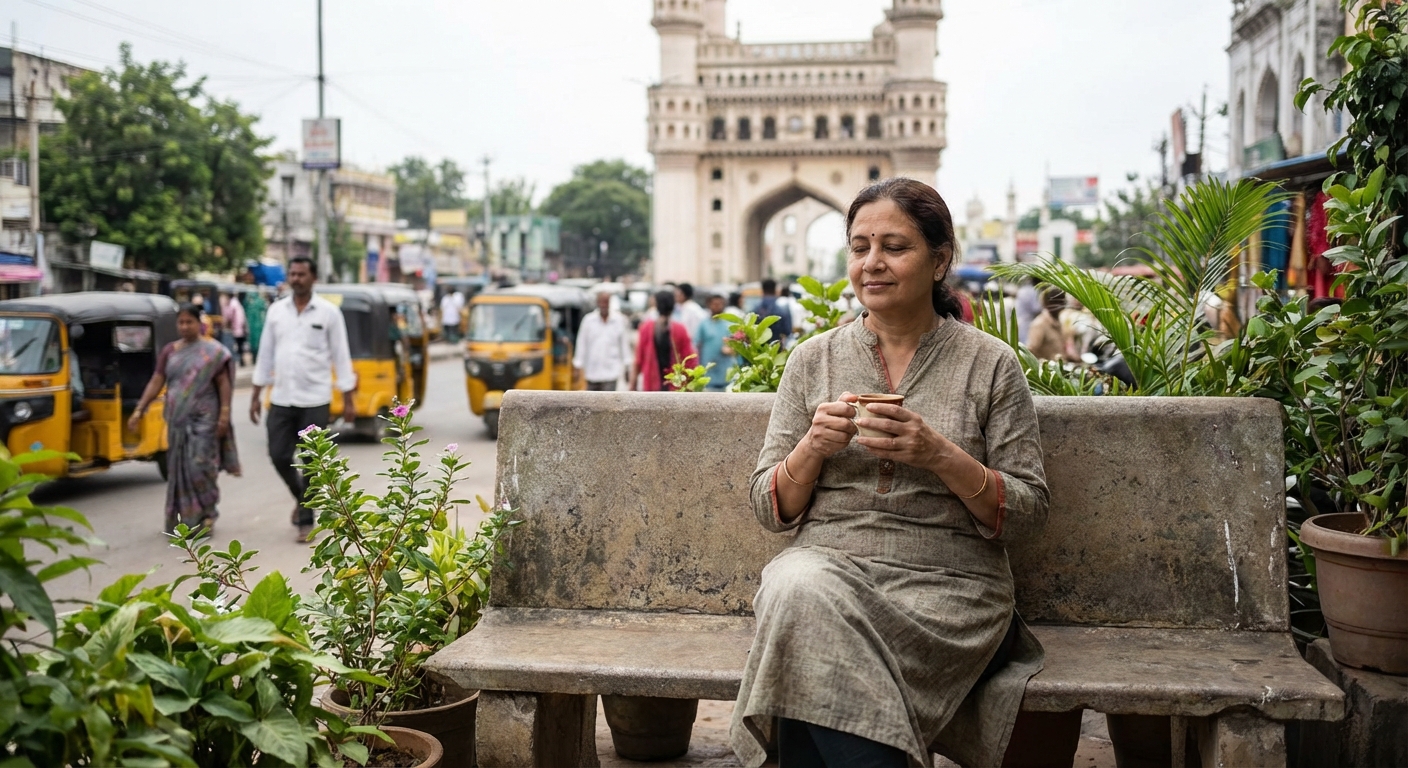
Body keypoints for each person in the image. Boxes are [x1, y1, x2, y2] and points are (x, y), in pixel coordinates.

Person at [729, 178, 1049, 768]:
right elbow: (768, 508)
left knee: (806, 635)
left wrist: (937, 453)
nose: (871, 263)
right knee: (798, 590)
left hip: (950, 591)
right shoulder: (814, 359)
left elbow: (1025, 512)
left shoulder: (990, 364)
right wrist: (811, 449)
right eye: (859, 247)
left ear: (939, 260)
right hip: (828, 569)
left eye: (894, 247)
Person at [249, 256, 357, 543]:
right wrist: (256, 393)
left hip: (315, 399)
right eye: (292, 274)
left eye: (301, 274)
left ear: (313, 278)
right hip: (281, 397)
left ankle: (306, 520)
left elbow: (341, 356)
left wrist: (348, 399)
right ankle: (301, 497)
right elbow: (265, 354)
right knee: (279, 454)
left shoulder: (329, 313)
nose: (296, 278)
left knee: (311, 461)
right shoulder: (275, 312)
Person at [128, 304, 241, 536]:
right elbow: (157, 380)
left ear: (199, 323)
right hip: (177, 420)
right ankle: (184, 518)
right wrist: (140, 409)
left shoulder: (213, 352)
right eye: (181, 322)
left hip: (205, 419)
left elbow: (223, 384)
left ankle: (207, 513)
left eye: (189, 322)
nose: (185, 327)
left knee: (200, 466)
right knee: (178, 470)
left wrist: (224, 415)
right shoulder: (170, 351)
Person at [633, 290, 696, 392]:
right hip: (674, 383)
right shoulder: (680, 329)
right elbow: (689, 359)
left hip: (651, 383)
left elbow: (638, 360)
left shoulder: (646, 328)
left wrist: (632, 385)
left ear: (657, 306)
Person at [574, 291, 634, 391]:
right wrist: (577, 365)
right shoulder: (588, 321)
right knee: (591, 404)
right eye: (601, 302)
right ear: (597, 303)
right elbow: (581, 344)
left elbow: (624, 345)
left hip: (611, 373)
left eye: (606, 302)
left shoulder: (618, 321)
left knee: (608, 405)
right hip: (592, 372)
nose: (604, 305)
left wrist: (627, 367)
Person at [695, 293, 736, 392]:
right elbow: (697, 344)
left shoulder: (729, 324)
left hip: (725, 371)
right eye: (714, 304)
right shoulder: (703, 324)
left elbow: (736, 345)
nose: (717, 306)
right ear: (709, 305)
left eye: (719, 304)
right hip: (708, 370)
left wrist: (730, 349)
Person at [1027, 288, 1075, 362]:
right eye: (1055, 302)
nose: (1060, 305)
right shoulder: (1039, 324)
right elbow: (1030, 353)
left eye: (1062, 302)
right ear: (1047, 303)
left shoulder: (1059, 321)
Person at [221, 291, 248, 365]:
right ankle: (241, 360)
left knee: (237, 345)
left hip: (237, 328)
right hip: (240, 328)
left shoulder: (232, 304)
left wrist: (226, 324)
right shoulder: (237, 303)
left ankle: (240, 360)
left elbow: (229, 316)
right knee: (240, 345)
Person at [1015, 277, 1041, 344]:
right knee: (1028, 344)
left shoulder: (1023, 289)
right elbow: (1036, 309)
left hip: (1020, 321)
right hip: (1028, 323)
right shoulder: (1033, 291)